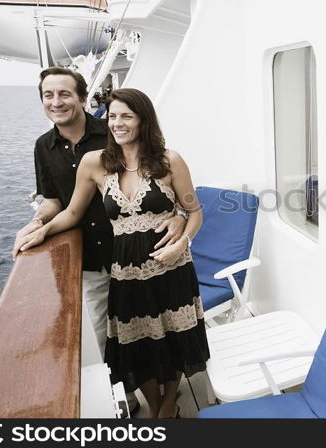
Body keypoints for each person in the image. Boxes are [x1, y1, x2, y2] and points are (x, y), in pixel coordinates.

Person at [17, 88, 209, 419]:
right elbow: (73, 213)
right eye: (112, 116)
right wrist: (41, 230)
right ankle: (156, 406)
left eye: (126, 116)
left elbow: (194, 213)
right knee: (137, 345)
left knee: (175, 336)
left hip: (173, 269)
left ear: (144, 120)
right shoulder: (95, 163)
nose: (117, 123)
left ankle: (166, 409)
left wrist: (183, 242)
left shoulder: (169, 161)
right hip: (126, 273)